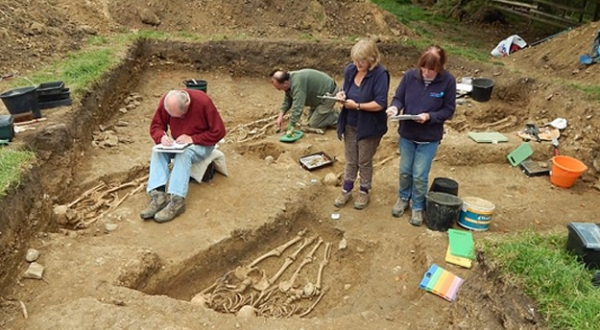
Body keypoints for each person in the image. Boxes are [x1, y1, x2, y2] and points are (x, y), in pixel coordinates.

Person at [386, 45, 456, 226]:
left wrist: (430, 117)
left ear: (440, 67)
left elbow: (448, 109)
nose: (426, 72)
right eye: (423, 67)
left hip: (429, 137)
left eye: (431, 69)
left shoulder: (448, 81)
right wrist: (394, 107)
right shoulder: (410, 76)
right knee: (404, 171)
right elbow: (399, 97)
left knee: (419, 175)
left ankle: (417, 206)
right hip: (408, 134)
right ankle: (403, 198)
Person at [140, 89, 226, 223]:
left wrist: (193, 139)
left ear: (187, 104)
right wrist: (161, 137)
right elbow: (156, 126)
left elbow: (219, 131)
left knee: (184, 154)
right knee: (158, 151)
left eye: (179, 116)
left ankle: (177, 200)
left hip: (202, 144)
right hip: (178, 143)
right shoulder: (167, 101)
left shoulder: (203, 102)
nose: (177, 119)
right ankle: (158, 195)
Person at [334, 39, 390, 210]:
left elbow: (380, 103)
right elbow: (345, 89)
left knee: (364, 160)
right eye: (355, 60)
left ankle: (364, 191)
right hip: (350, 122)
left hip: (370, 126)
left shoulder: (380, 74)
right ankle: (346, 189)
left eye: (362, 61)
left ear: (372, 59)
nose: (358, 64)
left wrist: (357, 106)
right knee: (351, 159)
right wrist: (341, 95)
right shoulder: (350, 70)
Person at [270, 68, 339, 135]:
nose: (281, 90)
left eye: (280, 88)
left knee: (314, 124)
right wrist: (280, 116)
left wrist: (291, 125)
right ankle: (325, 116)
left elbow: (298, 106)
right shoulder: (289, 80)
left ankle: (340, 117)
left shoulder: (297, 84)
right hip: (317, 96)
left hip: (328, 95)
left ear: (285, 83)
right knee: (311, 120)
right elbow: (288, 99)